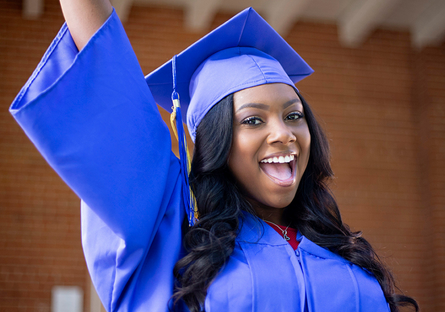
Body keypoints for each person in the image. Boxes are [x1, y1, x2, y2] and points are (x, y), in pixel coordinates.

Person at [10, 0, 419, 311]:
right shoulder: (178, 252)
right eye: (253, 121)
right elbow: (117, 105)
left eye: (294, 115)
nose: (283, 133)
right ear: (218, 144)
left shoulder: (344, 252)